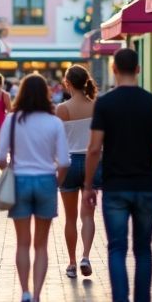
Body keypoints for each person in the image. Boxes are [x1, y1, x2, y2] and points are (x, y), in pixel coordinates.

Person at [86, 48, 152, 302]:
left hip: (115, 188)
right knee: (143, 250)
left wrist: (88, 185)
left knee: (116, 248)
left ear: (113, 69)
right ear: (138, 70)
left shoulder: (105, 104)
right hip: (146, 186)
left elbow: (95, 148)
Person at [0, 74, 70, 302]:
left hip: (19, 181)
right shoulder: (54, 122)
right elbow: (65, 162)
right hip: (47, 180)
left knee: (22, 243)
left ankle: (24, 295)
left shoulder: (12, 120)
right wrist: (54, 183)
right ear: (47, 94)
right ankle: (37, 300)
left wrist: (11, 167)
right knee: (41, 245)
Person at [56, 64, 99, 279]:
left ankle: (72, 263)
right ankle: (86, 256)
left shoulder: (61, 109)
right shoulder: (96, 107)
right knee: (88, 216)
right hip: (92, 163)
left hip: (69, 164)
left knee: (70, 218)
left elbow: (56, 143)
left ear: (68, 83)